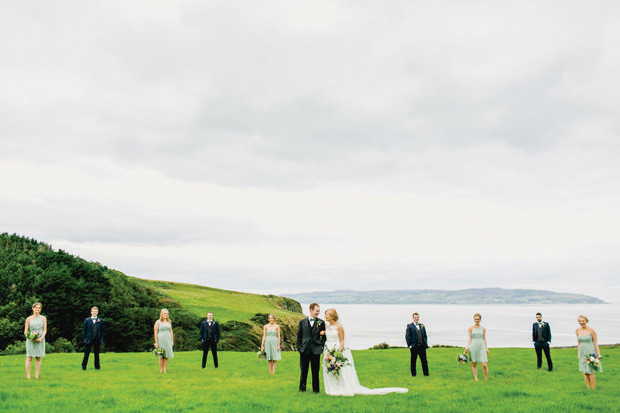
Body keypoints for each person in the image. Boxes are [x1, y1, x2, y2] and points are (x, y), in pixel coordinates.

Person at [323, 308, 408, 396]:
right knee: (329, 369)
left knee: (340, 370)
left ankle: (342, 388)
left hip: (336, 349)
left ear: (332, 316)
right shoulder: (326, 326)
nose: (325, 316)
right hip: (327, 349)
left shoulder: (339, 326)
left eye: (327, 315)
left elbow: (341, 340)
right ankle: (332, 388)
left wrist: (339, 352)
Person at [296, 303, 326, 392]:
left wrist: (321, 347)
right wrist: (299, 348)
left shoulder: (321, 322)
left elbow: (324, 337)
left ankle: (316, 390)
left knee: (315, 372)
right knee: (304, 371)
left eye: (319, 311)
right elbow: (299, 336)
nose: (318, 313)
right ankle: (302, 389)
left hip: (316, 350)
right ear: (311, 310)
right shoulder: (302, 322)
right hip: (304, 350)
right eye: (316, 311)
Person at [576, 315, 602, 390]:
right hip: (582, 352)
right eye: (580, 321)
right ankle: (588, 388)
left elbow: (596, 343)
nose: (581, 322)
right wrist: (578, 353)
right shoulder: (577, 330)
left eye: (583, 321)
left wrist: (598, 354)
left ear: (586, 321)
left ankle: (593, 388)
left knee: (590, 371)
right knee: (585, 371)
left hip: (590, 351)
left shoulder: (591, 330)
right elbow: (578, 343)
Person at [24, 302, 47, 379]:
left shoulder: (43, 318)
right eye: (36, 307)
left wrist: (41, 338)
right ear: (33, 308)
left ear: (40, 309)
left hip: (40, 339)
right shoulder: (28, 319)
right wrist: (31, 337)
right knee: (29, 357)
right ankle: (28, 375)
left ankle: (37, 375)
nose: (37, 309)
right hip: (30, 340)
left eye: (39, 308)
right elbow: (26, 331)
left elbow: (44, 330)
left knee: (38, 357)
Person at [464, 313, 489, 381]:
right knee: (474, 363)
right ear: (474, 319)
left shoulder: (483, 329)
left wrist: (486, 348)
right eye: (475, 319)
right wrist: (467, 347)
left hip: (481, 346)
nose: (476, 320)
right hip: (473, 346)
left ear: (480, 319)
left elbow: (484, 338)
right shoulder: (470, 328)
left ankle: (486, 379)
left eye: (478, 319)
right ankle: (476, 378)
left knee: (484, 364)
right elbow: (469, 338)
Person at [405, 312, 429, 376]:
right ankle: (413, 374)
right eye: (415, 317)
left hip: (422, 346)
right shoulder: (410, 326)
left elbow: (425, 335)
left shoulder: (422, 325)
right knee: (413, 361)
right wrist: (409, 345)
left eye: (417, 317)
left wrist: (425, 344)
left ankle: (426, 374)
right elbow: (407, 336)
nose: (416, 318)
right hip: (414, 346)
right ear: (413, 318)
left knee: (424, 361)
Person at [82, 306, 104, 370]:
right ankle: (84, 367)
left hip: (97, 340)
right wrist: (85, 339)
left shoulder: (100, 320)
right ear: (91, 312)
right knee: (86, 354)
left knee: (97, 355)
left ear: (97, 312)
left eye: (96, 311)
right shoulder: (87, 320)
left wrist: (101, 339)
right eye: (94, 311)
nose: (95, 313)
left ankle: (97, 367)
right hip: (88, 340)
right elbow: (84, 331)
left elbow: (102, 331)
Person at [154, 309, 174, 373]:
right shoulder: (158, 322)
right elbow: (155, 332)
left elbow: (171, 331)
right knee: (161, 355)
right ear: (161, 314)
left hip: (167, 339)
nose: (166, 315)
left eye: (167, 313)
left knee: (166, 355)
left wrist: (172, 341)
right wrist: (156, 342)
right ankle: (161, 370)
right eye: (164, 313)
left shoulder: (169, 321)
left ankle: (165, 370)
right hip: (160, 339)